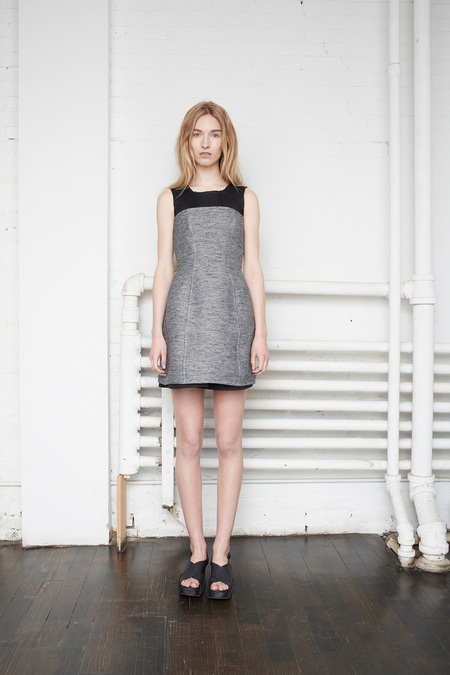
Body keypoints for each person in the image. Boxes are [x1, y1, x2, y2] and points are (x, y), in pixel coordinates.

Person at [150, 101, 269, 599]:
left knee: (228, 442)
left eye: (214, 134)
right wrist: (157, 332)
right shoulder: (171, 198)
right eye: (197, 134)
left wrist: (260, 333)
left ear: (225, 141)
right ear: (187, 140)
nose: (205, 142)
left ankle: (222, 552)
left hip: (232, 318)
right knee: (190, 442)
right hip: (185, 319)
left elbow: (252, 268)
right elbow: (164, 268)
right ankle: (196, 549)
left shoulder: (245, 198)